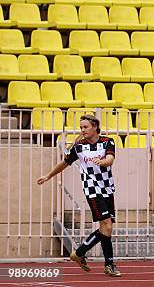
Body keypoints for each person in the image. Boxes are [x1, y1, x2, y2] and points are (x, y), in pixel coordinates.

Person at [37, 114, 121, 277]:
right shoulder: (79, 147)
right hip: (92, 189)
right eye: (81, 127)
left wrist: (104, 162)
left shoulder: (107, 141)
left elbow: (110, 158)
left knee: (106, 228)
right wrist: (48, 175)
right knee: (107, 225)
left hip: (107, 188)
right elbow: (65, 163)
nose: (82, 130)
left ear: (95, 127)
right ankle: (109, 265)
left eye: (85, 127)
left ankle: (80, 253)